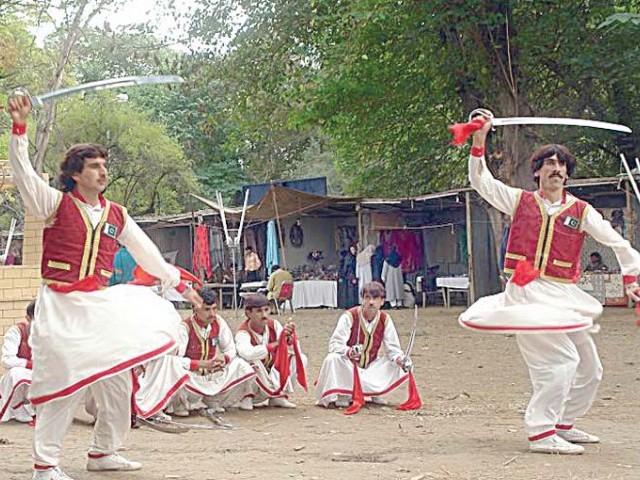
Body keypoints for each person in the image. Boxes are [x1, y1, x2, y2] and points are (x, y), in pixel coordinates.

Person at [8, 94, 202, 480]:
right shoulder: (54, 203)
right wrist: (19, 129)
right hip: (61, 306)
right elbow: (24, 174)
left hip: (98, 304)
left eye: (104, 165)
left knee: (117, 376)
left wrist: (178, 283)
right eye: (94, 166)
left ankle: (103, 452)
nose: (102, 171)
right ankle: (45, 465)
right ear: (76, 174)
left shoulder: (117, 214)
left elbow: (147, 253)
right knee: (66, 381)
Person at [459, 116, 640, 455]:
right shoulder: (519, 200)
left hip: (563, 294)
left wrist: (631, 274)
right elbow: (481, 181)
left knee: (590, 368)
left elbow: (615, 240)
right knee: (560, 362)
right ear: (538, 172)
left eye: (561, 164)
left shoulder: (581, 211)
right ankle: (541, 432)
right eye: (549, 164)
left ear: (567, 173)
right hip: (527, 293)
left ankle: (563, 423)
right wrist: (479, 141)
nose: (555, 168)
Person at [315, 282, 412, 408]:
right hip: (349, 366)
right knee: (332, 359)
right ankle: (344, 392)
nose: (371, 302)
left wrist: (400, 360)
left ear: (382, 301)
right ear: (362, 300)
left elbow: (393, 349)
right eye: (367, 298)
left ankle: (375, 392)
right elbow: (334, 344)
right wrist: (349, 351)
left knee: (402, 362)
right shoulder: (350, 316)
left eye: (375, 298)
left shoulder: (385, 319)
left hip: (371, 367)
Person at [169, 289, 255, 415]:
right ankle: (180, 404)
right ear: (195, 308)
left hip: (211, 374)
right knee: (174, 369)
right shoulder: (185, 327)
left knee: (240, 365)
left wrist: (223, 359)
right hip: (191, 378)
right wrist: (201, 364)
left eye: (214, 309)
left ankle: (214, 400)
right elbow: (175, 359)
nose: (212, 313)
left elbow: (231, 349)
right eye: (207, 309)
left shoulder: (218, 322)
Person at [235, 293, 307, 410]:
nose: (264, 315)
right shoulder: (243, 333)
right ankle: (247, 397)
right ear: (248, 313)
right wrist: (272, 346)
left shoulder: (274, 325)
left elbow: (288, 348)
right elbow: (247, 353)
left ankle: (279, 396)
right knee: (248, 362)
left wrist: (288, 338)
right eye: (259, 311)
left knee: (300, 358)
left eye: (266, 310)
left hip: (271, 377)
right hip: (255, 385)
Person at [0, 300, 36, 423]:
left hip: (42, 378)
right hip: (23, 378)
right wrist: (31, 365)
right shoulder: (16, 331)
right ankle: (17, 407)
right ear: (28, 318)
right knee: (16, 373)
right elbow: (7, 360)